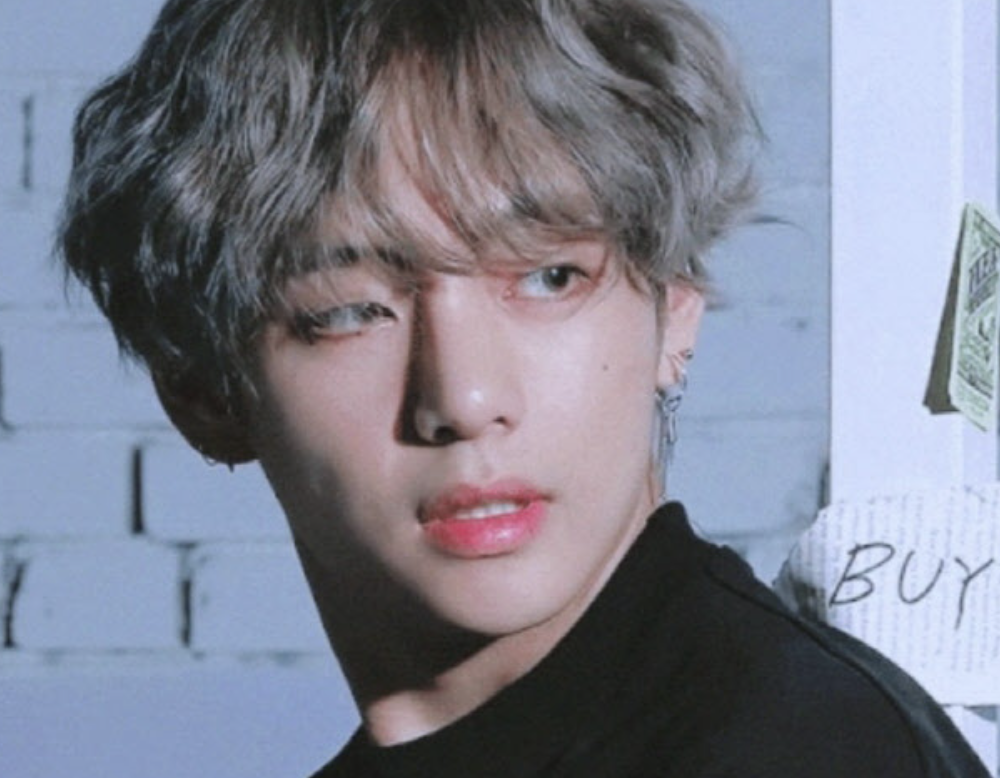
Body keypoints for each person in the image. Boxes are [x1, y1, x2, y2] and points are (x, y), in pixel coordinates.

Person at [59, 0, 991, 776]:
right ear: (203, 390)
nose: (464, 401)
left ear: (675, 309)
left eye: (549, 278)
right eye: (350, 310)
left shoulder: (803, 747)